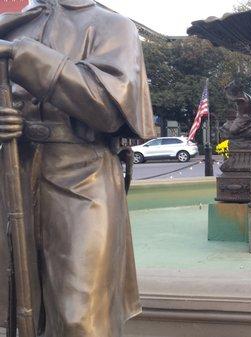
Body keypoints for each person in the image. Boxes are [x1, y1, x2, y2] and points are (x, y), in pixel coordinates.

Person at [0, 1, 154, 336]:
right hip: (15, 174)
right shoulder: (10, 26)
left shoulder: (111, 26)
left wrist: (26, 58)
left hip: (83, 176)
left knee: (80, 317)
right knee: (15, 309)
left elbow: (109, 108)